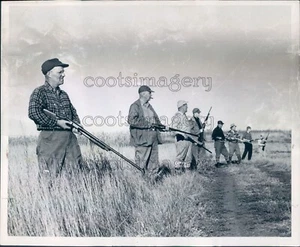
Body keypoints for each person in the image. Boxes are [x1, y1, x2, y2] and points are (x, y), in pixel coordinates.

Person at [28, 58, 83, 184]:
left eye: (63, 72)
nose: (63, 74)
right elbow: (33, 112)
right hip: (50, 140)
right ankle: (46, 203)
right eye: (60, 72)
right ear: (49, 74)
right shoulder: (39, 92)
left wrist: (76, 125)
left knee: (76, 175)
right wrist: (57, 123)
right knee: (48, 179)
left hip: (69, 140)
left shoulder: (64, 95)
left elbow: (73, 113)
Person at [128, 85, 163, 173]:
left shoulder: (149, 106)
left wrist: (161, 126)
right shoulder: (135, 106)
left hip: (153, 139)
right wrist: (148, 124)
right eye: (149, 92)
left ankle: (152, 183)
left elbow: (156, 120)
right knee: (141, 164)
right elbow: (132, 121)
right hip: (142, 140)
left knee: (154, 164)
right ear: (143, 94)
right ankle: (140, 183)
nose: (151, 95)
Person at [171, 100, 193, 172]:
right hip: (181, 140)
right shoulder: (177, 116)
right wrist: (182, 134)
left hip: (188, 140)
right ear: (182, 106)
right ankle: (178, 174)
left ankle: (187, 175)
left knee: (188, 158)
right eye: (186, 105)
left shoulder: (184, 116)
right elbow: (173, 128)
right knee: (180, 158)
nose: (187, 107)